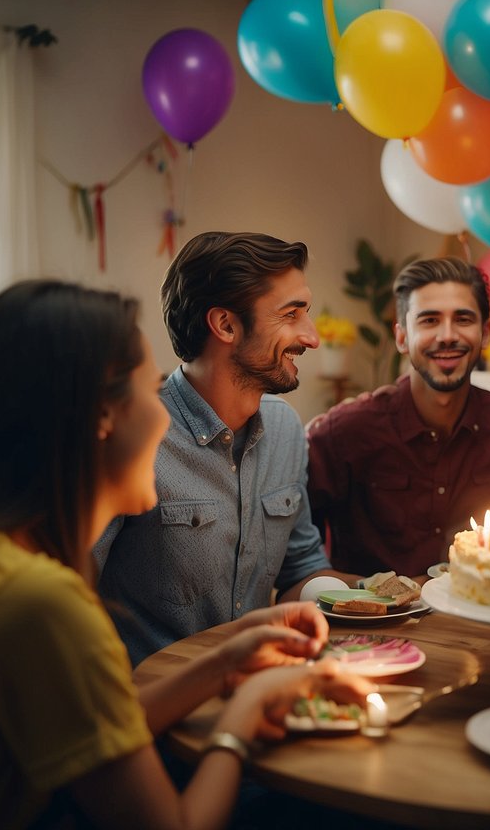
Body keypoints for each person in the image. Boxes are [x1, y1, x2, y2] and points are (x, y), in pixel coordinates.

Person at [0, 281, 371, 829]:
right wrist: (247, 710)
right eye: (149, 390)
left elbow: (94, 722)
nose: (163, 418)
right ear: (102, 418)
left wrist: (227, 664)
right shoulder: (33, 599)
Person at [94, 232, 356, 667]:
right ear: (226, 325)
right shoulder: (135, 435)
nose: (311, 338)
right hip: (152, 711)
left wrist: (381, 596)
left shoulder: (286, 428)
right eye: (291, 315)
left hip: (257, 692)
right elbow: (73, 590)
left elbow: (302, 568)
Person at [307, 258, 490, 576]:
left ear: (486, 333)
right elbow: (297, 558)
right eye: (429, 321)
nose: (447, 335)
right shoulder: (345, 431)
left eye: (463, 319)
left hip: (484, 617)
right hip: (377, 624)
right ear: (402, 337)